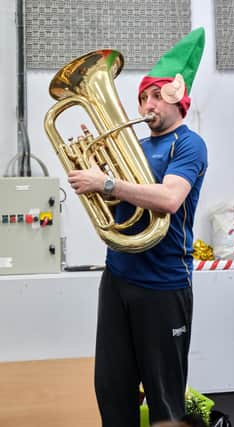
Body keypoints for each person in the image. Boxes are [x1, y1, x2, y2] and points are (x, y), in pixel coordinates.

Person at [68, 27, 207, 427]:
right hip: (118, 276)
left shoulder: (189, 143)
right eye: (142, 96)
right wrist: (94, 163)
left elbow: (168, 199)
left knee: (164, 396)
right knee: (112, 388)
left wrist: (107, 181)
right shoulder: (137, 145)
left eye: (156, 94)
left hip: (163, 283)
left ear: (178, 97)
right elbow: (117, 202)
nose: (146, 103)